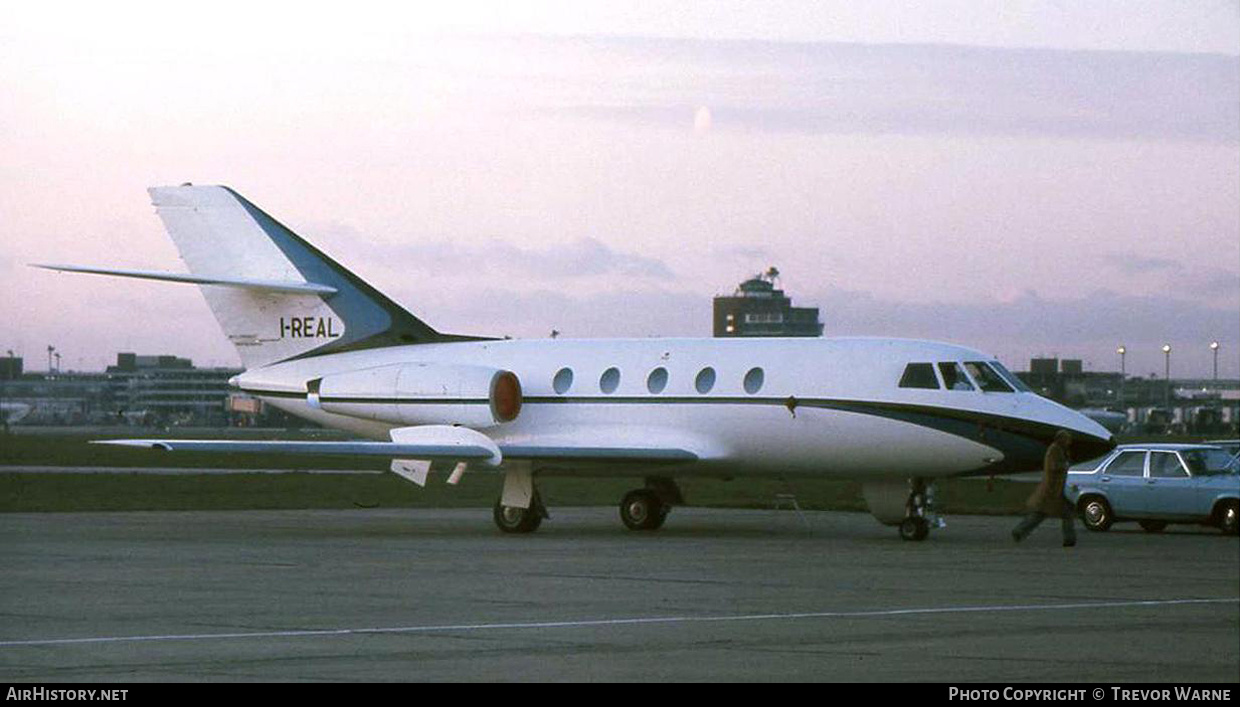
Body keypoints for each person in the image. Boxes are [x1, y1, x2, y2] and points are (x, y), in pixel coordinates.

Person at [1012, 430, 1077, 547]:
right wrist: (1066, 465)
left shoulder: (1060, 450)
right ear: (1061, 439)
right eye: (1067, 439)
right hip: (1052, 489)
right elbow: (1053, 466)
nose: (1069, 442)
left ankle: (1069, 539)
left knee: (1050, 514)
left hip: (1057, 489)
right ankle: (1019, 531)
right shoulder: (1054, 450)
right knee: (1044, 514)